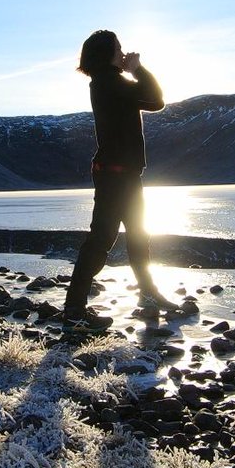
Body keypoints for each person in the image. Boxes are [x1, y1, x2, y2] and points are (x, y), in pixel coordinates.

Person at [61, 29, 184, 333]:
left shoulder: (108, 83)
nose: (123, 51)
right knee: (101, 241)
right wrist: (138, 68)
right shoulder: (111, 82)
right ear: (107, 53)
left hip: (122, 173)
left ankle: (148, 295)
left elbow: (154, 104)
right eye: (119, 47)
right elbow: (157, 99)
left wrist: (132, 72)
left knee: (138, 236)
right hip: (116, 175)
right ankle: (74, 310)